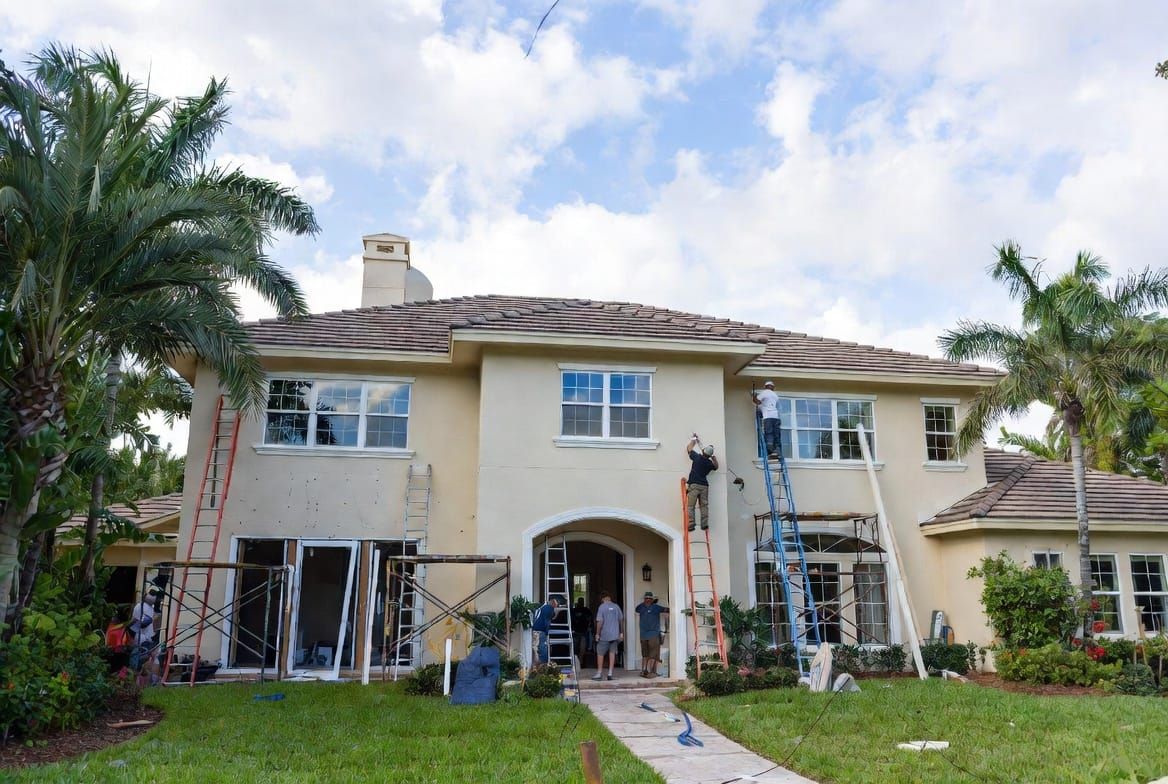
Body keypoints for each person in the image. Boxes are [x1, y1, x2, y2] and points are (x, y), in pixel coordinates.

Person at [685, 434, 719, 531]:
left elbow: (688, 449)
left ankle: (691, 524)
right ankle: (704, 524)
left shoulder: (697, 457)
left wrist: (693, 440)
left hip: (694, 485)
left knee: (691, 506)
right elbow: (716, 467)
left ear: (703, 451)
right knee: (704, 506)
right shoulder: (709, 463)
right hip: (704, 487)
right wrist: (714, 458)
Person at [634, 591, 669, 678]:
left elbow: (666, 610)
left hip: (648, 634)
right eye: (647, 598)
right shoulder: (651, 607)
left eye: (649, 598)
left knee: (648, 654)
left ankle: (647, 671)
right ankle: (648, 672)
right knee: (650, 654)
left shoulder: (646, 607)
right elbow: (667, 610)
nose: (648, 600)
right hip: (649, 634)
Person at [128, 591, 162, 677]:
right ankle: (144, 676)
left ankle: (140, 676)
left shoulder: (147, 607)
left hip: (145, 636)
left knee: (143, 658)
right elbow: (142, 622)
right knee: (148, 658)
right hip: (145, 636)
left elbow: (140, 622)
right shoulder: (142, 607)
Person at [591, 592, 624, 681]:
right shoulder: (616, 607)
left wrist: (597, 634)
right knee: (612, 653)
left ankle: (599, 673)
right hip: (614, 635)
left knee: (600, 653)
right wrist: (621, 633)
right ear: (609, 598)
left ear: (602, 599)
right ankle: (610, 673)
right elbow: (621, 620)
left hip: (604, 635)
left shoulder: (602, 607)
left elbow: (600, 622)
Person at [752, 380, 782, 458]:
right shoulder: (775, 396)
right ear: (773, 388)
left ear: (765, 386)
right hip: (776, 417)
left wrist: (754, 396)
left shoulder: (765, 392)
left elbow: (756, 401)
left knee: (769, 433)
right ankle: (778, 450)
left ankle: (770, 451)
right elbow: (776, 407)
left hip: (768, 416)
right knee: (776, 434)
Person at [531, 595, 561, 664]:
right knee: (543, 651)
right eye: (557, 604)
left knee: (536, 650)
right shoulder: (549, 608)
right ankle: (542, 668)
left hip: (535, 630)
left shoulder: (543, 607)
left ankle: (536, 667)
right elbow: (547, 621)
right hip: (541, 631)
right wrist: (547, 633)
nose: (557, 606)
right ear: (553, 602)